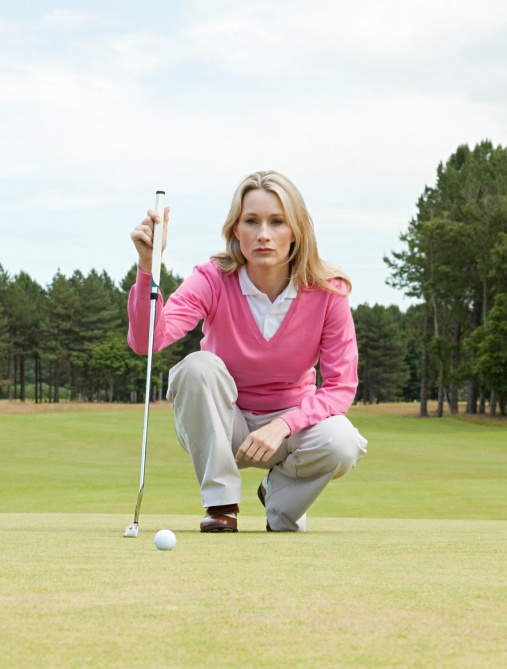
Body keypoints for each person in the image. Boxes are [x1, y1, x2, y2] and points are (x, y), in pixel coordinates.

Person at [127, 170, 367, 533]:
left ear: (296, 232)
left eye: (277, 222)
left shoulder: (328, 292)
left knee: (343, 441)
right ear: (236, 230)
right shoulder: (212, 278)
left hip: (291, 429)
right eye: (251, 221)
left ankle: (279, 499)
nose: (264, 234)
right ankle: (221, 504)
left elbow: (340, 387)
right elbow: (149, 341)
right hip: (226, 423)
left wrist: (283, 425)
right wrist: (148, 267)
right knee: (196, 367)